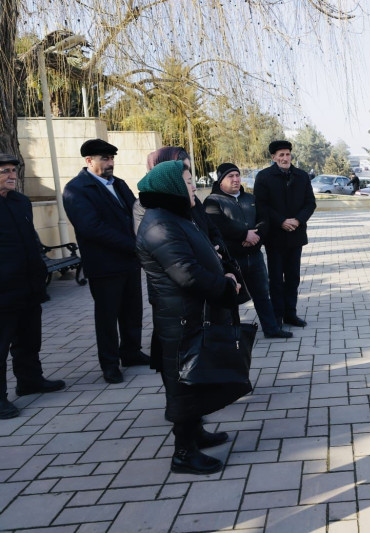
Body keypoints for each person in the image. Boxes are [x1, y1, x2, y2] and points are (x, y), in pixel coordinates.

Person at [137, 160, 245, 475]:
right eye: (187, 181)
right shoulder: (159, 225)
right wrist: (225, 286)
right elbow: (187, 274)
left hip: (193, 313)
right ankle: (183, 453)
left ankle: (196, 433)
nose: (193, 186)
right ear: (171, 187)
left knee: (194, 378)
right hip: (180, 317)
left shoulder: (175, 216)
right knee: (182, 382)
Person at [63, 139, 148, 384]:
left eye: (112, 158)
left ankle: (131, 352)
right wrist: (132, 244)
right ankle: (110, 365)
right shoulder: (77, 189)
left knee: (132, 311)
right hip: (104, 265)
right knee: (107, 317)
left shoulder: (118, 183)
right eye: (105, 159)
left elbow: (135, 212)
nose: (110, 163)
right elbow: (91, 227)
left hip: (129, 261)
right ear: (89, 161)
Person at [0, 152, 65, 419]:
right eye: (4, 171)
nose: (11, 175)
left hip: (28, 284)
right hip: (3, 290)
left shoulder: (20, 202)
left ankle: (29, 381)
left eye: (13, 170)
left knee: (29, 338)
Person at [204, 163, 292, 339]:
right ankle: (233, 334)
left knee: (262, 294)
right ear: (221, 180)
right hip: (231, 259)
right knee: (231, 296)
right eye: (231, 176)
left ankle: (272, 329)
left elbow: (264, 220)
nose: (236, 179)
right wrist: (244, 235)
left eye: (237, 175)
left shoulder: (251, 198)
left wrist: (255, 238)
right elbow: (219, 225)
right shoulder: (212, 201)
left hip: (254, 256)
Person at [254, 140, 316, 328]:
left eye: (287, 154)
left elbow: (310, 203)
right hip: (275, 236)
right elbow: (261, 205)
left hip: (296, 234)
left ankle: (291, 314)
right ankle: (277, 316)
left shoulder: (302, 176)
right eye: (281, 155)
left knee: (293, 278)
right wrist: (281, 220)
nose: (285, 158)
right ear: (273, 157)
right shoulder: (264, 177)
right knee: (275, 279)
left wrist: (298, 220)